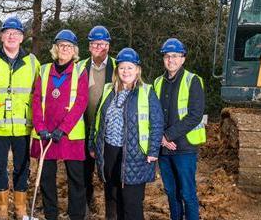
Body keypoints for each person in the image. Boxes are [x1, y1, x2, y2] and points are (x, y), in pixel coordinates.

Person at [0, 16, 40, 220]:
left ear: (22, 38)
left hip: (23, 126)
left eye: (16, 33)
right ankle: (2, 207)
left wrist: (38, 124)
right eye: (7, 33)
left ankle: (20, 209)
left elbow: (39, 96)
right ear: (1, 36)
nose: (11, 36)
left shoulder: (32, 62)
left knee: (22, 167)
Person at [89, 48, 163, 220]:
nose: (126, 71)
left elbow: (157, 122)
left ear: (137, 70)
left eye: (130, 67)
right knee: (113, 198)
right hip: (110, 153)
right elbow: (97, 119)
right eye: (122, 67)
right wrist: (93, 144)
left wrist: (153, 150)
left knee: (131, 203)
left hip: (134, 154)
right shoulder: (109, 90)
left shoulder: (146, 92)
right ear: (117, 70)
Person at [31, 30, 88, 220]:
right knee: (46, 177)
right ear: (55, 48)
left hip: (69, 134)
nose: (65, 49)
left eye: (69, 46)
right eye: (61, 45)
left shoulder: (80, 70)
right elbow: (37, 100)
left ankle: (77, 215)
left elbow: (81, 102)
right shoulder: (44, 69)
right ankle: (51, 214)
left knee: (76, 179)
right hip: (46, 133)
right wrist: (40, 128)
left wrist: (63, 129)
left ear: (74, 50)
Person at [153, 38, 206, 220]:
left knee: (187, 194)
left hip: (184, 148)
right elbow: (153, 114)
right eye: (167, 56)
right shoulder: (157, 82)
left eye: (175, 56)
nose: (171, 60)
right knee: (171, 192)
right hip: (164, 149)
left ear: (183, 58)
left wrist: (167, 135)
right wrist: (161, 138)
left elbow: (195, 115)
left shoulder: (193, 81)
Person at [77, 25, 116, 218]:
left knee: (109, 173)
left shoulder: (119, 67)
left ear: (108, 45)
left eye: (101, 44)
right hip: (83, 127)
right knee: (84, 170)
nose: (98, 47)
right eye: (94, 44)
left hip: (108, 131)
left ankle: (111, 211)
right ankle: (86, 202)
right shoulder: (80, 66)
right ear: (89, 46)